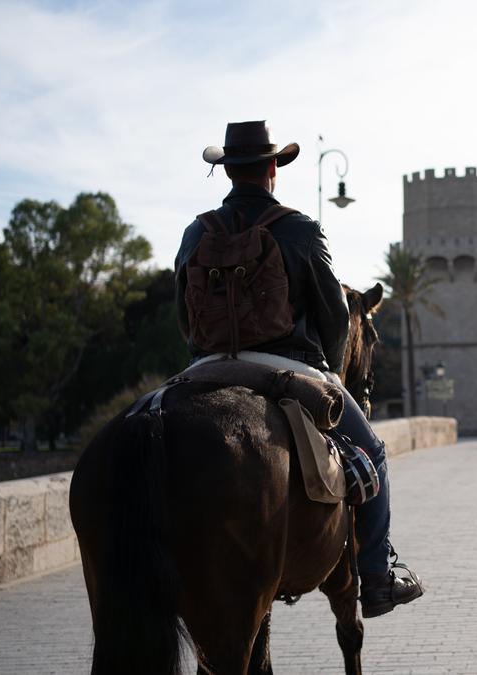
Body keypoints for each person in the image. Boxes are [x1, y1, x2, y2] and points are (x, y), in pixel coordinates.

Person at [174, 121, 422, 619]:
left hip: (204, 368)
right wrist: (326, 374)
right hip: (287, 366)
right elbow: (334, 318)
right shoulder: (300, 229)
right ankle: (375, 576)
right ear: (272, 169)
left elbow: (183, 314)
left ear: (228, 173)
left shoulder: (196, 231)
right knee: (372, 451)